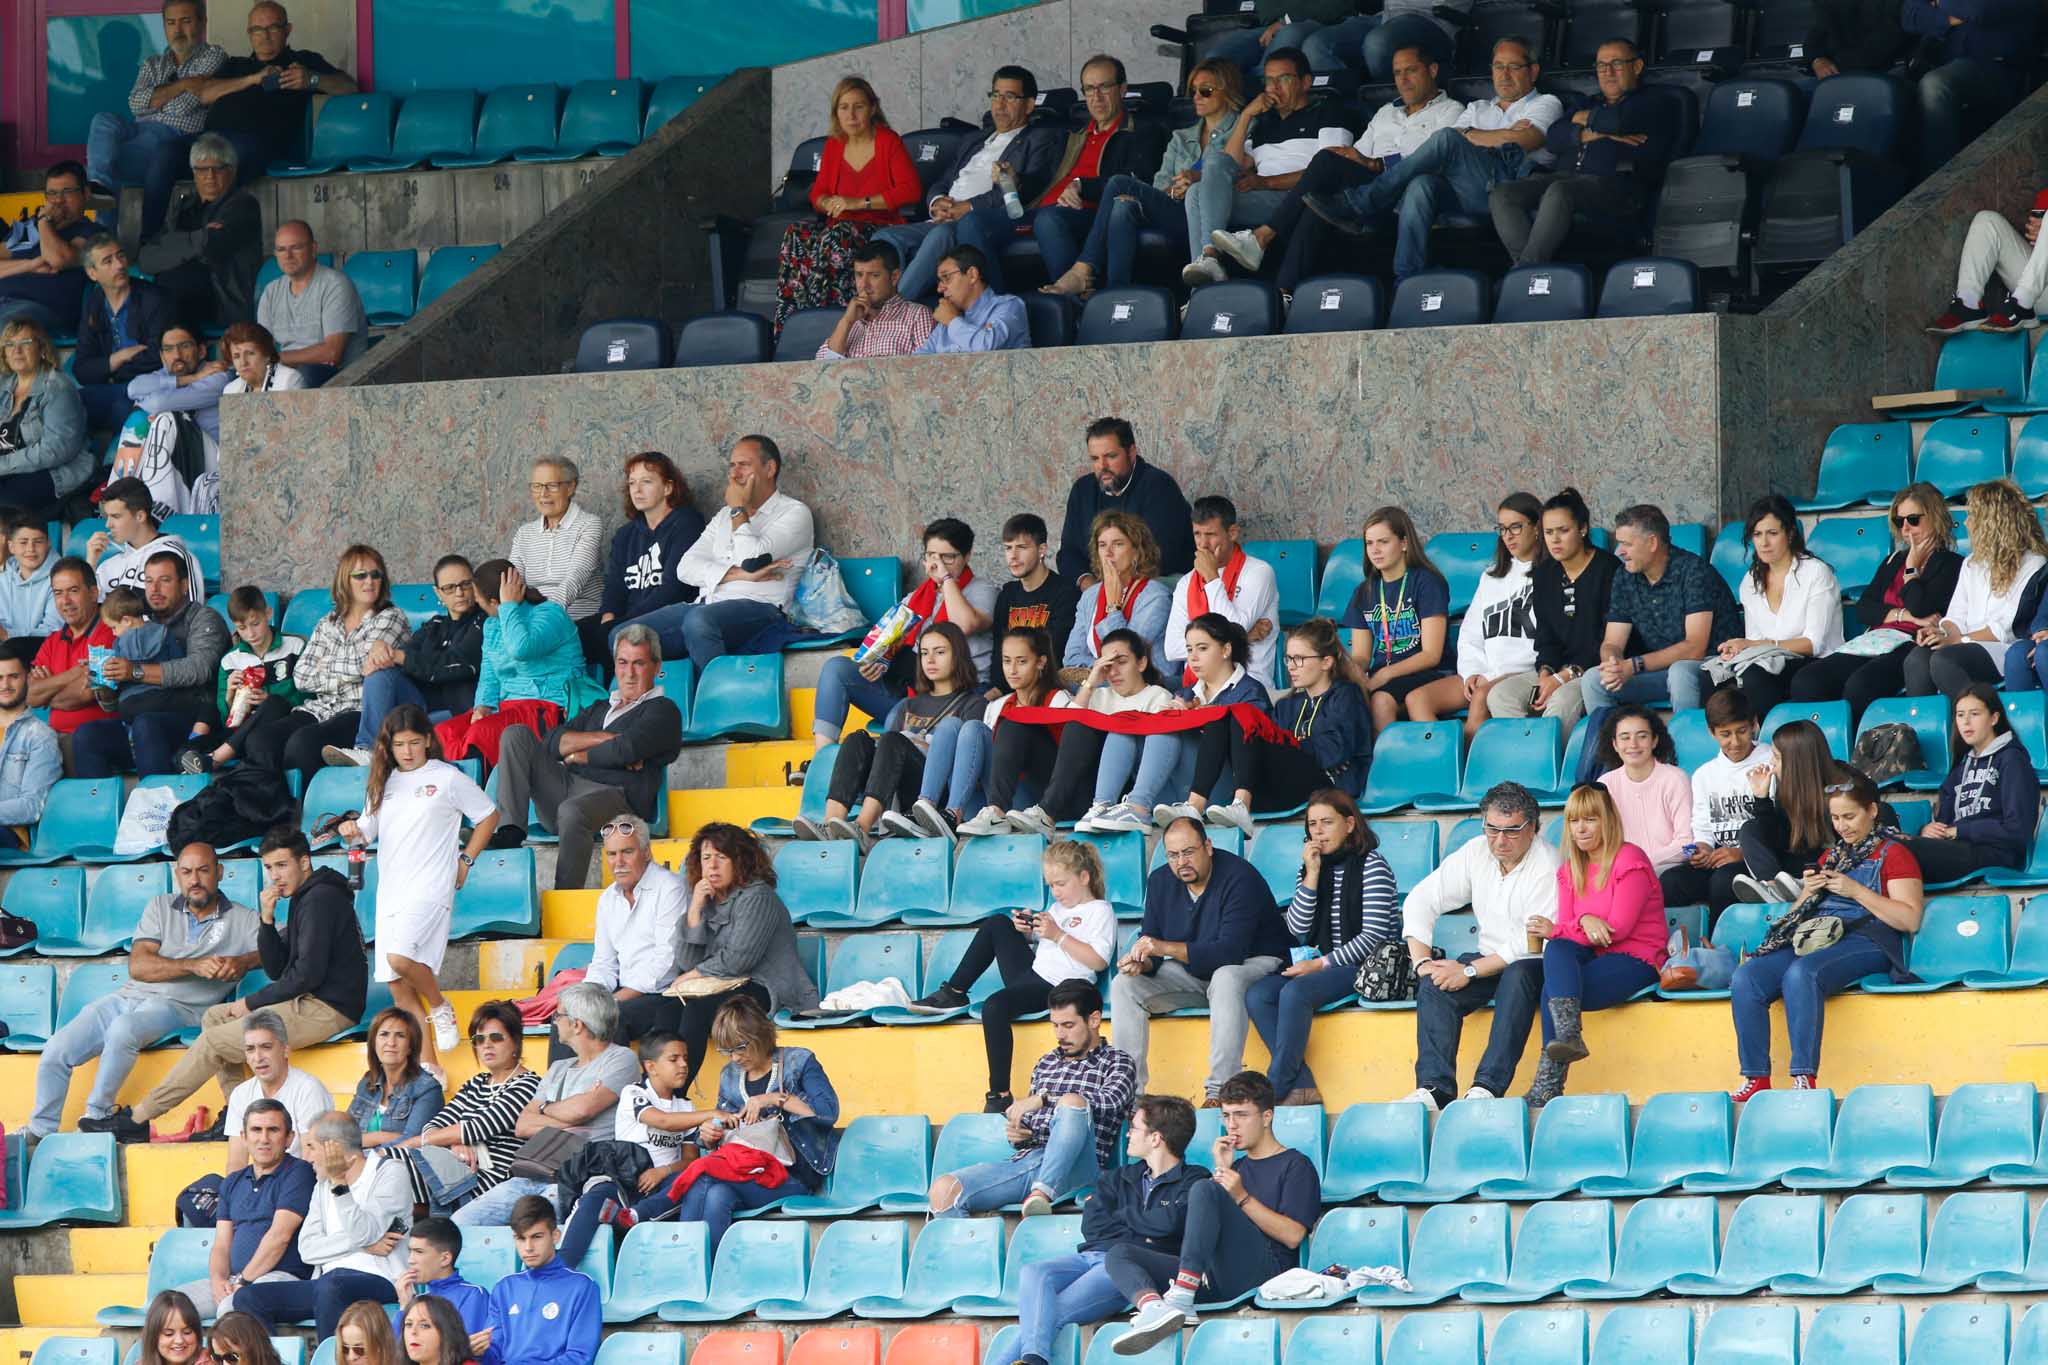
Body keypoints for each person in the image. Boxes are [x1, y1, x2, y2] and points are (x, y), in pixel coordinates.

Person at [107, 827, 367, 1139]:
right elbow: (277, 968)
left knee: (215, 1040)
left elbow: (305, 976)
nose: (276, 876)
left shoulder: (320, 899)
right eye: (269, 868)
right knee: (214, 1017)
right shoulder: (301, 896)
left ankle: (139, 1118)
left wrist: (250, 1003)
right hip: (309, 998)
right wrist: (267, 921)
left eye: (282, 865)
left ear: (304, 863)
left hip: (328, 1006)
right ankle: (238, 1114)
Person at [31, 840, 259, 1138]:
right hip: (128, 996)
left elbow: (276, 952)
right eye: (187, 872)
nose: (195, 880)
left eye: (203, 871)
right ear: (177, 874)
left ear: (220, 872)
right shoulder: (160, 906)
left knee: (123, 1029)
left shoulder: (243, 919)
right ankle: (39, 1130)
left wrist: (242, 961)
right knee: (56, 1048)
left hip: (180, 1007)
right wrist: (194, 965)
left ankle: (96, 1117)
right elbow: (139, 966)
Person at [1729, 767, 1924, 1097]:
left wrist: (1856, 891)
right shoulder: (1831, 856)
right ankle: (1756, 1077)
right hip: (1818, 936)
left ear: (1872, 811)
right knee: (1747, 978)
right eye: (1835, 818)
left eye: (1849, 816)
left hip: (1870, 938)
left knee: (1801, 973)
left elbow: (1909, 920)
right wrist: (1807, 893)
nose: (1842, 826)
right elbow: (1797, 917)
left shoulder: (1895, 854)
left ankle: (1804, 1077)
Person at [1202, 45, 1463, 290]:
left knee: (1325, 165)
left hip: (1410, 189)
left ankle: (1262, 237)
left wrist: (1375, 163)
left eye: (1411, 70)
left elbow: (1437, 160)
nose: (1403, 80)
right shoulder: (1385, 113)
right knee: (1316, 200)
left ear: (1432, 71)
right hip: (1369, 187)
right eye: (1397, 72)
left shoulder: (1451, 111)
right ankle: (1284, 293)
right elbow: (1356, 155)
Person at [1310, 36, 1563, 281]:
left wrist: (1471, 134)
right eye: (1498, 66)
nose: (1504, 74)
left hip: (1509, 189)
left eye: (1514, 67)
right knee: (1421, 185)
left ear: (1533, 71)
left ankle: (1363, 203)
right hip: (1469, 189)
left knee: (1445, 139)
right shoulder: (1477, 108)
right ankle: (1407, 276)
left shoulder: (1546, 103)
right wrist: (1502, 134)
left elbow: (1526, 140)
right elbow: (1467, 136)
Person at [1109, 1072, 1318, 1351]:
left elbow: (1292, 1235)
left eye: (1242, 1115)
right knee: (1119, 1254)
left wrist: (1240, 1196)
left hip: (1267, 1274)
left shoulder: (1295, 1165)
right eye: (1227, 1116)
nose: (1232, 1125)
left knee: (1203, 1188)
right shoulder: (1237, 1169)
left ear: (1267, 1116)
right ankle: (1156, 1310)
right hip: (1215, 1275)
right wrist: (1225, 1172)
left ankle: (1182, 1295)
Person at [336, 716, 498, 1070]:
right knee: (397, 986)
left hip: (431, 885)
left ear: (427, 740)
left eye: (413, 742)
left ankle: (440, 1006)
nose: (407, 752)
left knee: (400, 959)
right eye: (399, 745)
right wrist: (351, 828)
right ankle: (430, 1069)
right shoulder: (384, 781)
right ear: (388, 747)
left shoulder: (447, 777)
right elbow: (366, 830)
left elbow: (489, 815)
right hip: (391, 890)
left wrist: (466, 859)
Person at [908, 839, 1115, 1108]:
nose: (1055, 892)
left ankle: (999, 1095)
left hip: (1061, 989)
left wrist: (1058, 934)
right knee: (998, 923)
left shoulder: (1100, 911)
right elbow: (1047, 943)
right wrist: (1028, 930)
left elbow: (1098, 961)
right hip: (1033, 974)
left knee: (993, 1007)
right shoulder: (1058, 909)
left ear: (1084, 877)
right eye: (1050, 885)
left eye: (1061, 884)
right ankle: (953, 993)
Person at [622, 997, 839, 1253]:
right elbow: (722, 1132)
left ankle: (680, 1259)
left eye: (740, 1048)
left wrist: (774, 1099)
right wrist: (710, 1133)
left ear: (760, 1035)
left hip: (791, 1177)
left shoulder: (799, 1062)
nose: (735, 1058)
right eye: (727, 1051)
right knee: (715, 1194)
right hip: (744, 1170)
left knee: (705, 1173)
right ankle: (704, 1275)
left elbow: (828, 1113)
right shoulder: (730, 1076)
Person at [1008, 1095, 1204, 1365]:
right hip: (1091, 1256)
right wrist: (1144, 1223)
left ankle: (1033, 1359)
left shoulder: (1195, 1180)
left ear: (1156, 1138)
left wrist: (1122, 1217)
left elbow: (1170, 1224)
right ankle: (1034, 1360)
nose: (1128, 1135)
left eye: (1134, 1128)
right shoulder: (1120, 1176)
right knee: (1033, 1272)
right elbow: (1093, 1224)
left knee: (1047, 1315)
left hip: (1127, 1268)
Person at [484, 626, 682, 889]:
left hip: (618, 797)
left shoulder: (663, 710)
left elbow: (627, 749)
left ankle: (566, 898)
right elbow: (552, 742)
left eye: (639, 664)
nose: (629, 673)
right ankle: (510, 831)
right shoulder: (601, 707)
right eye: (623, 663)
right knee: (516, 734)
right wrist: (605, 740)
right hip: (566, 787)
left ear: (656, 667)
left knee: (572, 810)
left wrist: (578, 755)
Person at [1399, 780, 1554, 1108]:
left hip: (1537, 964)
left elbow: (1527, 944)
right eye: (1492, 828)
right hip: (1487, 960)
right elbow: (1420, 900)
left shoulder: (1548, 863)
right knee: (1435, 982)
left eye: (1511, 831)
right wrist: (1423, 963)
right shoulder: (1475, 851)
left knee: (1518, 974)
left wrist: (1468, 971)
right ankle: (1434, 1088)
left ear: (1534, 829)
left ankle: (1487, 1087)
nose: (1499, 840)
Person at [1112, 817, 1289, 1099]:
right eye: (1173, 855)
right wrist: (1141, 962)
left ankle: (1220, 1092)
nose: (1181, 862)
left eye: (1188, 852)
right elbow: (1153, 949)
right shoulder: (1160, 881)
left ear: (1207, 846)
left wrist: (1163, 948)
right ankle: (1128, 1097)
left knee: (1226, 975)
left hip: (1259, 964)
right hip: (1200, 975)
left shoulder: (1240, 877)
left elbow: (1229, 952)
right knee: (1124, 984)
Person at [930, 979, 1136, 1218]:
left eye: (1068, 1025)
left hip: (1080, 1167)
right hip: (1030, 1162)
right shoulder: (1046, 1063)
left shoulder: (1118, 1062)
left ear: (1094, 1020)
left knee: (1073, 1102)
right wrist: (1020, 1135)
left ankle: (1041, 1194)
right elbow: (1030, 1128)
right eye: (1055, 1026)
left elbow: (1110, 1102)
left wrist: (1045, 1099)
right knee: (944, 1191)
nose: (1060, 1034)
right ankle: (978, 1249)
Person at [1246, 789, 1399, 1105]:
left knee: (1296, 992)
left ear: (1350, 824)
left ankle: (1276, 1084)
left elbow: (1373, 937)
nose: (1317, 831)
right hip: (1322, 963)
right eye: (1312, 824)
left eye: (1327, 822)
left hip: (1366, 966)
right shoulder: (1312, 867)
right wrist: (1312, 875)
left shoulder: (1373, 866)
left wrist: (1321, 965)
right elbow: (1297, 930)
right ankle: (1302, 1085)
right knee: (1258, 994)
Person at [1043, 60, 1244, 298]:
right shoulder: (1181, 136)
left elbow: (1237, 169)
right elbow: (1159, 186)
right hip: (1173, 210)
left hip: (1210, 213)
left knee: (1119, 183)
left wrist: (1198, 179)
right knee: (1121, 205)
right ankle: (1114, 296)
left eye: (1206, 91)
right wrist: (1174, 190)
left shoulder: (1242, 128)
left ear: (1227, 90)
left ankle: (1083, 269)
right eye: (1193, 91)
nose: (1197, 97)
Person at [1525, 783, 1668, 1107]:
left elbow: (1616, 929)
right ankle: (1568, 1036)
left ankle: (1550, 1079)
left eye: (1590, 819)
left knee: (1553, 989)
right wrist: (1583, 922)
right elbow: (1568, 935)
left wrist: (1582, 922)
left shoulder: (1629, 858)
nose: (1581, 828)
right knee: (1557, 950)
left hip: (1637, 958)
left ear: (1607, 821)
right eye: (1575, 821)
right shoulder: (1569, 870)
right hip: (1593, 956)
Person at [452, 982, 639, 1226]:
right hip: (538, 1170)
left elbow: (583, 1110)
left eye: (558, 1015)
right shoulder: (558, 1069)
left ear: (577, 1024)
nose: (554, 1021)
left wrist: (546, 1109)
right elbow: (523, 1125)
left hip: (581, 1175)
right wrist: (565, 1115)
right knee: (461, 1223)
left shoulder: (622, 1058)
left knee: (535, 1228)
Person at [873, 65, 1061, 302]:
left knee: (940, 235)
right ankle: (882, 307)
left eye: (1010, 97)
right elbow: (943, 180)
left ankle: (891, 312)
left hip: (981, 221)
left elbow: (1033, 187)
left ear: (1030, 105)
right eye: (995, 95)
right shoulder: (974, 139)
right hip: (942, 216)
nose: (999, 104)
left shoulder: (1039, 139)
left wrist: (968, 207)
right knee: (884, 238)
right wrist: (937, 201)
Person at [809, 518, 996, 752]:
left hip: (959, 697)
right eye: (931, 556)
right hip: (914, 692)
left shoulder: (982, 589)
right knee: (836, 669)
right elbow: (884, 641)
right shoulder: (916, 597)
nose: (937, 564)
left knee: (895, 721)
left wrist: (947, 579)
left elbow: (964, 625)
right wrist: (878, 664)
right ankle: (821, 758)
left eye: (947, 557)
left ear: (967, 556)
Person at [1488, 39, 1679, 265]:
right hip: (1566, 177)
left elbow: (1620, 121)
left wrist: (1584, 122)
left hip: (1617, 183)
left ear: (1636, 67)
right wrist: (1585, 133)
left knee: (1560, 191)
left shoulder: (1653, 101)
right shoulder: (1587, 102)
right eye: (1601, 65)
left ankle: (1526, 272)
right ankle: (1528, 269)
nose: (1607, 72)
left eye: (1616, 63)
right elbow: (1554, 138)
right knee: (1503, 194)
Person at [1181, 50, 1362, 288]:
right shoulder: (1264, 123)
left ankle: (1204, 280)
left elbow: (1329, 170)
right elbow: (1232, 165)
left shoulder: (1329, 112)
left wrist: (1266, 182)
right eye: (1268, 80)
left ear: (1305, 82)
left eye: (1284, 79)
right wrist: (1246, 116)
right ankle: (1208, 261)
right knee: (1198, 188)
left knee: (1203, 188)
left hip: (1299, 199)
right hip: (1262, 198)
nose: (1274, 87)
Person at [1790, 482, 1963, 722]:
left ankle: (1860, 753)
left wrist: (1912, 570)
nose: (1906, 529)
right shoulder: (1893, 561)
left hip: (1913, 644)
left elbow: (1921, 607)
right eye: (1899, 521)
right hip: (1875, 640)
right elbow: (1865, 609)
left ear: (1934, 518)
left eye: (1913, 519)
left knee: (1859, 685)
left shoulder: (1952, 564)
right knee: (1807, 680)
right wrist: (1905, 616)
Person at [978, 626, 1173, 837]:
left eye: (1122, 662)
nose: (1114, 672)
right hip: (1074, 788)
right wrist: (1091, 682)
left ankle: (1048, 813)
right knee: (1015, 721)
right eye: (1108, 665)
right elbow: (1069, 724)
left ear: (1142, 663)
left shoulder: (1158, 696)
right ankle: (997, 811)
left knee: (1088, 724)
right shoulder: (1098, 696)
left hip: (1120, 798)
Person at [1182, 618, 1373, 831]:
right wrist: (1295, 745)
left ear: (1326, 662)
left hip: (1330, 787)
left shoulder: (1346, 695)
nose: (1291, 667)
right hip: (1287, 785)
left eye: (1299, 659)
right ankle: (1195, 806)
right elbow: (1275, 747)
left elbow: (1335, 751)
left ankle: (1242, 804)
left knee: (1243, 714)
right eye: (1288, 659)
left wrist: (1292, 745)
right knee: (1226, 718)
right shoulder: (1287, 705)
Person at [232, 1110, 409, 1337]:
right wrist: (362, 1246)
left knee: (331, 1288)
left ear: (332, 1148)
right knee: (247, 1297)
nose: (308, 1157)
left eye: (312, 1147)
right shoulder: (322, 1185)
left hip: (382, 1279)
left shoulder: (390, 1172)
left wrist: (340, 1185)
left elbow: (364, 1232)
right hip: (327, 1283)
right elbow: (307, 1249)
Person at [1090, 613, 1271, 833]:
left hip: (1220, 794)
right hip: (1174, 796)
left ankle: (1138, 806)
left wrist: (1193, 718)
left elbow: (1254, 749)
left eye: (1202, 648)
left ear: (1225, 650)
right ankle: (1100, 806)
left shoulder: (1250, 691)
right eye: (1189, 650)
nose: (1193, 657)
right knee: (1122, 732)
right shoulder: (1183, 693)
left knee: (1165, 730)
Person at [241, 544, 407, 784]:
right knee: (261, 740)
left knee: (303, 744)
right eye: (360, 575)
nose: (369, 581)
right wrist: (349, 668)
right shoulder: (327, 623)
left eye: (375, 574)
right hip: (321, 708)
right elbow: (302, 677)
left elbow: (366, 665)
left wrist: (326, 664)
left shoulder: (391, 617)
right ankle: (270, 808)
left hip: (360, 712)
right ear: (345, 580)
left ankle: (310, 814)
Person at [809, 623, 984, 849]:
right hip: (896, 784)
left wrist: (916, 743)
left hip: (934, 793)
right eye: (924, 653)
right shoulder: (907, 705)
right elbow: (887, 758)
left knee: (894, 740)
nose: (930, 659)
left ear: (958, 656)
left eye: (940, 652)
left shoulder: (974, 704)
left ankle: (862, 827)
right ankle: (831, 824)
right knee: (857, 739)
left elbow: (967, 764)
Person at [1012, 56, 1170, 293]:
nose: (1096, 97)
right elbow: (1044, 181)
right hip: (1041, 209)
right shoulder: (1070, 136)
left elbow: (1133, 181)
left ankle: (1074, 300)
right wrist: (1017, 181)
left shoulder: (1143, 132)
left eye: (1104, 87)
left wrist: (1080, 185)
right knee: (973, 222)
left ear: (1122, 89)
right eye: (1089, 89)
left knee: (1049, 220)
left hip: (1090, 213)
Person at [775, 76, 920, 330]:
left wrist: (857, 203)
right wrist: (826, 201)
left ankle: (832, 324)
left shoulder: (887, 140)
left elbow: (911, 191)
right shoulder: (835, 144)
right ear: (836, 112)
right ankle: (790, 326)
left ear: (873, 108)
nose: (851, 115)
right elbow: (817, 193)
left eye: (859, 106)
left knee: (835, 236)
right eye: (844, 107)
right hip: (839, 228)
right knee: (795, 234)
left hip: (879, 228)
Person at [664, 435, 814, 670]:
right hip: (707, 605)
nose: (734, 474)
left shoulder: (794, 512)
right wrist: (738, 575)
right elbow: (684, 568)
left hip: (762, 609)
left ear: (769, 468)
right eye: (732, 466)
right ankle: (659, 705)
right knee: (627, 635)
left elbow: (751, 559)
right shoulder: (723, 516)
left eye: (744, 465)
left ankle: (719, 702)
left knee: (699, 622)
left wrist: (737, 509)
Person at [73, 552, 229, 777]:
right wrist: (104, 682)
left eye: (164, 580)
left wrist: (134, 671)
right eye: (148, 581)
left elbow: (199, 668)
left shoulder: (202, 618)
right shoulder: (137, 627)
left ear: (184, 585)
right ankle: (96, 809)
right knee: (86, 735)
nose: (154, 589)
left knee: (146, 724)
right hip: (140, 723)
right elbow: (115, 701)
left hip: (192, 720)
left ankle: (156, 804)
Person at [435, 560, 602, 768]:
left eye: (479, 599)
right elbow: (489, 674)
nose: (477, 604)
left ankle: (484, 793)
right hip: (506, 709)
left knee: (481, 733)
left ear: (496, 602)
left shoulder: (550, 614)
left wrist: (508, 608)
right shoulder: (491, 625)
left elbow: (521, 649)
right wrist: (482, 707)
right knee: (441, 734)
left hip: (550, 708)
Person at [912, 626, 1071, 840]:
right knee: (950, 725)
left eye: (1021, 661)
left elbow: (1066, 765)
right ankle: (929, 806)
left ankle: (953, 814)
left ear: (1041, 662)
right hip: (989, 808)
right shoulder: (997, 705)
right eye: (1006, 661)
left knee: (974, 728)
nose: (1012, 670)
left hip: (1031, 808)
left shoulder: (1058, 699)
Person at [552, 1030, 697, 1266]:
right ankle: (561, 1268)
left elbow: (691, 1160)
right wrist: (711, 1114)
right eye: (674, 1059)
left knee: (689, 1180)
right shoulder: (634, 1093)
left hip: (663, 1184)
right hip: (626, 1180)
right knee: (593, 1199)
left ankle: (632, 1217)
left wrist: (664, 1171)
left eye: (685, 1058)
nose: (683, 1065)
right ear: (651, 1066)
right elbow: (662, 1121)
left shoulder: (687, 1107)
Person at [325, 554, 484, 764]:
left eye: (465, 584)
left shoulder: (484, 622)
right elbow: (405, 653)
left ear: (475, 584)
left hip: (456, 712)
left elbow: (455, 663)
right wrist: (381, 649)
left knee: (399, 731)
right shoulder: (435, 626)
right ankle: (367, 750)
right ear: (438, 593)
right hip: (420, 707)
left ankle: (382, 751)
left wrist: (399, 656)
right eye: (450, 587)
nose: (460, 592)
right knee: (381, 673)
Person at [1583, 503, 1739, 715]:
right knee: (1593, 680)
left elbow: (1695, 648)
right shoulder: (1624, 576)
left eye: (1626, 544)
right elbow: (1612, 641)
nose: (1620, 551)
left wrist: (1635, 665)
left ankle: (1685, 744)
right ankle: (1609, 747)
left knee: (1680, 672)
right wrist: (1613, 663)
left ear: (1652, 542)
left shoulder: (1693, 571)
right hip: (1659, 672)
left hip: (1711, 669)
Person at [87, 0, 226, 238]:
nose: (178, 30)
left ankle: (103, 238)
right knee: (103, 119)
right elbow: (135, 104)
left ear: (203, 23)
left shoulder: (213, 56)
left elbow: (182, 107)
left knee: (110, 165)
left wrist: (155, 99)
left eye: (186, 21)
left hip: (173, 138)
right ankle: (98, 188)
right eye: (171, 23)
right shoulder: (153, 63)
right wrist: (183, 84)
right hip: (138, 128)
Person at [1407, 492, 1542, 735]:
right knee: (1417, 699)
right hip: (1484, 672)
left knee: (1481, 698)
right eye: (1502, 529)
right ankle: (1447, 763)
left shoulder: (1549, 574)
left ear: (1537, 527)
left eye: (1516, 527)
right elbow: (1470, 634)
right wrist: (1474, 672)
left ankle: (1468, 769)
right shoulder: (1492, 576)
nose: (1508, 536)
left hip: (1523, 673)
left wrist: (1490, 679)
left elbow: (1543, 642)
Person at [1488, 487, 1622, 729]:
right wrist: (1545, 673)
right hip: (1557, 669)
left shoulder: (1609, 570)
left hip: (1595, 670)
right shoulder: (1544, 573)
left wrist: (1562, 678)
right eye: (1548, 532)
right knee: (1500, 695)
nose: (1555, 539)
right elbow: (1545, 636)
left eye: (1563, 531)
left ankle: (1553, 764)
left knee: (1560, 702)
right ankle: (1527, 758)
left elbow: (1605, 640)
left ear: (1582, 529)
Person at [390, 1001, 541, 1215]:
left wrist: (422, 1141)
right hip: (455, 1167)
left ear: (516, 1042)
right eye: (479, 1040)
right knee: (386, 1165)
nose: (486, 1045)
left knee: (391, 1161)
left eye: (496, 1038)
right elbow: (433, 1125)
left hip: (486, 1181)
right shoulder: (476, 1083)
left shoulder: (528, 1085)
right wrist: (454, 1144)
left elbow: (477, 1128)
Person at [1903, 478, 2047, 700]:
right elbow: (1956, 615)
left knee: (1945, 660)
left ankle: (1985, 720)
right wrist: (1942, 634)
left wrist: (1958, 640)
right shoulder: (1972, 563)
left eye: (1972, 516)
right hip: (1964, 643)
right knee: (1917, 658)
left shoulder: (2032, 563)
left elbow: (2006, 627)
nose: (1967, 523)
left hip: (2000, 648)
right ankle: (1929, 730)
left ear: (1991, 522)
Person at [173, 1101, 315, 1316]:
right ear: (244, 1137)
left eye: (273, 1130)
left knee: (232, 1308)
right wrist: (218, 1280)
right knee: (167, 1308)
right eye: (256, 1130)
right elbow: (221, 1244)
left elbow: (279, 1237)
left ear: (289, 1138)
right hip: (236, 1279)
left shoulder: (299, 1173)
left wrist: (244, 1280)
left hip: (281, 1277)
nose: (264, 1139)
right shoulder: (233, 1182)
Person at [1718, 495, 1845, 715]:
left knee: (1767, 677)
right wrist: (1741, 649)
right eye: (1757, 535)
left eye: (1772, 533)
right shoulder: (1750, 581)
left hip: (1819, 661)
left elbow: (1813, 644)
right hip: (1775, 661)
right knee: (1724, 677)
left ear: (1790, 533)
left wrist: (1755, 645)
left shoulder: (1815, 572)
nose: (1764, 543)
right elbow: (1755, 641)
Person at [199, 3, 357, 178]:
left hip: (262, 146)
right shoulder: (236, 65)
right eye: (257, 29)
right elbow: (205, 94)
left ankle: (211, 204)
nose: (265, 36)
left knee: (225, 160)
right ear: (249, 34)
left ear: (287, 30)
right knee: (167, 151)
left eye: (272, 28)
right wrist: (253, 79)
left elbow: (350, 87)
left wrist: (312, 79)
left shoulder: (303, 61)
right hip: (210, 141)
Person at [1899, 683, 2036, 885]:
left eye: (1975, 714)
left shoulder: (2012, 760)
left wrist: (1961, 831)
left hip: (1996, 854)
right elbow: (1944, 822)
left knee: (1898, 852)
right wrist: (1928, 831)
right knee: (1889, 845)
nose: (1966, 722)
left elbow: (2017, 829)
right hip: (1959, 848)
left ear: (1994, 718)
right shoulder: (1962, 765)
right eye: (1960, 715)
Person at [134, 134, 264, 327]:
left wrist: (173, 246)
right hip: (178, 298)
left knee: (167, 296)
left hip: (219, 301)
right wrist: (200, 237)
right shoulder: (183, 207)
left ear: (232, 171)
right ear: (194, 173)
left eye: (218, 169)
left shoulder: (242, 205)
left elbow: (212, 249)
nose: (210, 176)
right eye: (202, 169)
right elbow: (146, 258)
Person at [1341, 505, 1451, 731]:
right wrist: (1352, 671)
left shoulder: (1426, 582)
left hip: (1428, 674)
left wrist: (1385, 674)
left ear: (1403, 543)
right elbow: (1361, 655)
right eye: (1369, 543)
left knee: (1380, 700)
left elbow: (1431, 655)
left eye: (1383, 541)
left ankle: (1387, 765)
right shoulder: (1364, 591)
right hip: (1385, 677)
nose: (1375, 550)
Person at [578, 816, 687, 1042]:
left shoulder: (670, 888)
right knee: (569, 1019)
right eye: (611, 854)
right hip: (623, 992)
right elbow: (603, 962)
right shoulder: (608, 898)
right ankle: (560, 1079)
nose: (618, 862)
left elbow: (666, 963)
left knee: (612, 1018)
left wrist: (614, 1000)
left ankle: (615, 1079)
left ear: (646, 852)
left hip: (662, 994)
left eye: (627, 852)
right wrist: (588, 999)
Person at [1665, 686, 1770, 914]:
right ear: (1712, 732)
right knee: (1671, 881)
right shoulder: (1704, 774)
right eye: (1725, 734)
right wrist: (1702, 850)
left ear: (1754, 724)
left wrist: (1742, 852)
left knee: (1723, 881)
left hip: (1758, 859)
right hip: (1719, 857)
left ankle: (1718, 945)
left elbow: (1779, 825)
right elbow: (1703, 827)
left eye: (1741, 731)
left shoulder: (1771, 761)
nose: (1735, 741)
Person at [1902, 0, 2036, 177]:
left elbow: (1979, 10)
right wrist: (1948, 19)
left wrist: (1939, 4)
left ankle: (1940, 187)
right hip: (1943, 62)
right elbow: (1909, 15)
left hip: (1998, 67)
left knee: (1935, 85)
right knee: (1885, 91)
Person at [594, 452, 705, 664]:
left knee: (615, 635)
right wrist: (609, 615)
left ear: (668, 488)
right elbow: (615, 585)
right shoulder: (626, 534)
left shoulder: (686, 524)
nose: (637, 490)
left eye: (646, 482)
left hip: (668, 617)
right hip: (626, 618)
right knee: (574, 636)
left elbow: (674, 588)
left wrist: (625, 620)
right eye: (632, 483)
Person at [185, 584, 306, 773]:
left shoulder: (295, 646)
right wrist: (230, 698)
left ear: (268, 614)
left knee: (274, 703)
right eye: (242, 628)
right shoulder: (230, 660)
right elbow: (226, 719)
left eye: (255, 623)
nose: (251, 633)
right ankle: (193, 770)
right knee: (187, 750)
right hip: (239, 731)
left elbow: (310, 698)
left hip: (278, 726)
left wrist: (268, 698)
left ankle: (217, 759)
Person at [1058, 418, 1195, 583]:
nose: (1102, 466)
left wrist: (1113, 591)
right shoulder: (1082, 490)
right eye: (1095, 459)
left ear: (1131, 452)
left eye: (1111, 456)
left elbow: (1160, 556)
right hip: (1098, 588)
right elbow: (1068, 553)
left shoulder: (1159, 486)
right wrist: (1089, 586)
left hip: (1155, 585)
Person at [1164, 497, 1278, 691]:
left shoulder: (1259, 572)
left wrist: (1211, 577)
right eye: (1197, 534)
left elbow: (1235, 627)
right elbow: (1172, 648)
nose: (1203, 544)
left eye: (1210, 534)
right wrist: (1245, 637)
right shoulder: (1186, 583)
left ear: (1232, 532)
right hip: (1198, 688)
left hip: (1247, 685)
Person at [123, 323, 236, 519]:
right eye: (168, 349)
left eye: (184, 346)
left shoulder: (217, 375)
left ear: (201, 351)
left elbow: (159, 402)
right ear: (162, 356)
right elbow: (133, 388)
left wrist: (145, 403)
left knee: (167, 418)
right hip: (175, 462)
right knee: (138, 420)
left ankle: (159, 511)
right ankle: (122, 501)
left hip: (211, 461)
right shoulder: (166, 376)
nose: (177, 354)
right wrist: (191, 379)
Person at [1731, 718, 1842, 903]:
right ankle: (1773, 889)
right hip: (1789, 871)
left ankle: (1790, 889)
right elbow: (1774, 835)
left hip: (1824, 868)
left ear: (1796, 762)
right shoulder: (1787, 788)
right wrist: (1761, 798)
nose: (1771, 763)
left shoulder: (1839, 790)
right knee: (1750, 829)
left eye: (1777, 757)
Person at [73, 237, 176, 432]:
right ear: (92, 273)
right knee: (71, 403)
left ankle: (112, 460)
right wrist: (118, 358)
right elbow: (82, 368)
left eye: (120, 256)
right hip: (114, 387)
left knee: (122, 409)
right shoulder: (94, 302)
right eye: (108, 261)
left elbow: (160, 357)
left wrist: (107, 367)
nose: (119, 265)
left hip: (151, 386)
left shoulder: (155, 299)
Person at [485, 1197, 600, 1365]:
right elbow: (494, 1353)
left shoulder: (582, 1287)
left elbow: (580, 1357)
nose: (528, 1247)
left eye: (536, 1237)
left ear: (555, 1236)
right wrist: (479, 1352)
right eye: (520, 1238)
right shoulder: (504, 1288)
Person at [254, 221, 365, 386]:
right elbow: (262, 350)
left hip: (338, 379)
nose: (288, 255)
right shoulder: (271, 291)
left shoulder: (335, 284)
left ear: (313, 249)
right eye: (281, 249)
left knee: (306, 373)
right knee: (237, 379)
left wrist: (277, 359)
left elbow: (332, 353)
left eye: (296, 247)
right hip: (289, 374)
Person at [0, 318, 91, 518]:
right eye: (10, 344)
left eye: (25, 343)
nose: (17, 350)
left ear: (42, 349)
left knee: (3, 504)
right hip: (10, 469)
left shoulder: (58, 387)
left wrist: (4, 465)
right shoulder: (4, 385)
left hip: (52, 472)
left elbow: (56, 450)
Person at [1064, 511, 1172, 680]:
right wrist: (1099, 669)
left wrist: (1113, 607)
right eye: (1102, 545)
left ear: (1137, 551)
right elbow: (1071, 658)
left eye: (1118, 544)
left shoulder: (1155, 596)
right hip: (1100, 685)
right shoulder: (1090, 596)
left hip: (1148, 688)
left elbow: (1126, 657)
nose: (1108, 552)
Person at [1928, 190, 2048, 334]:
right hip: (2041, 291)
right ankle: (1968, 303)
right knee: (1987, 220)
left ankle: (2023, 303)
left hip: (2032, 294)